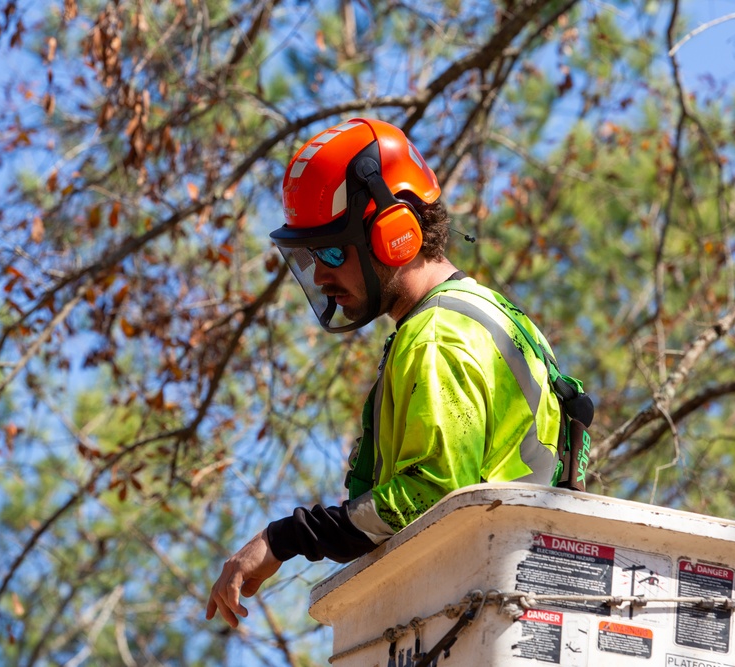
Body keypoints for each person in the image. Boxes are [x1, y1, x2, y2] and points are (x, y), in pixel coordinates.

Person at [205, 118, 590, 628]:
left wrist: (284, 538)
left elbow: (427, 501)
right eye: (310, 256)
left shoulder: (438, 336)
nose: (320, 275)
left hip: (490, 614)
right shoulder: (486, 312)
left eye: (332, 250)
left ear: (395, 234)